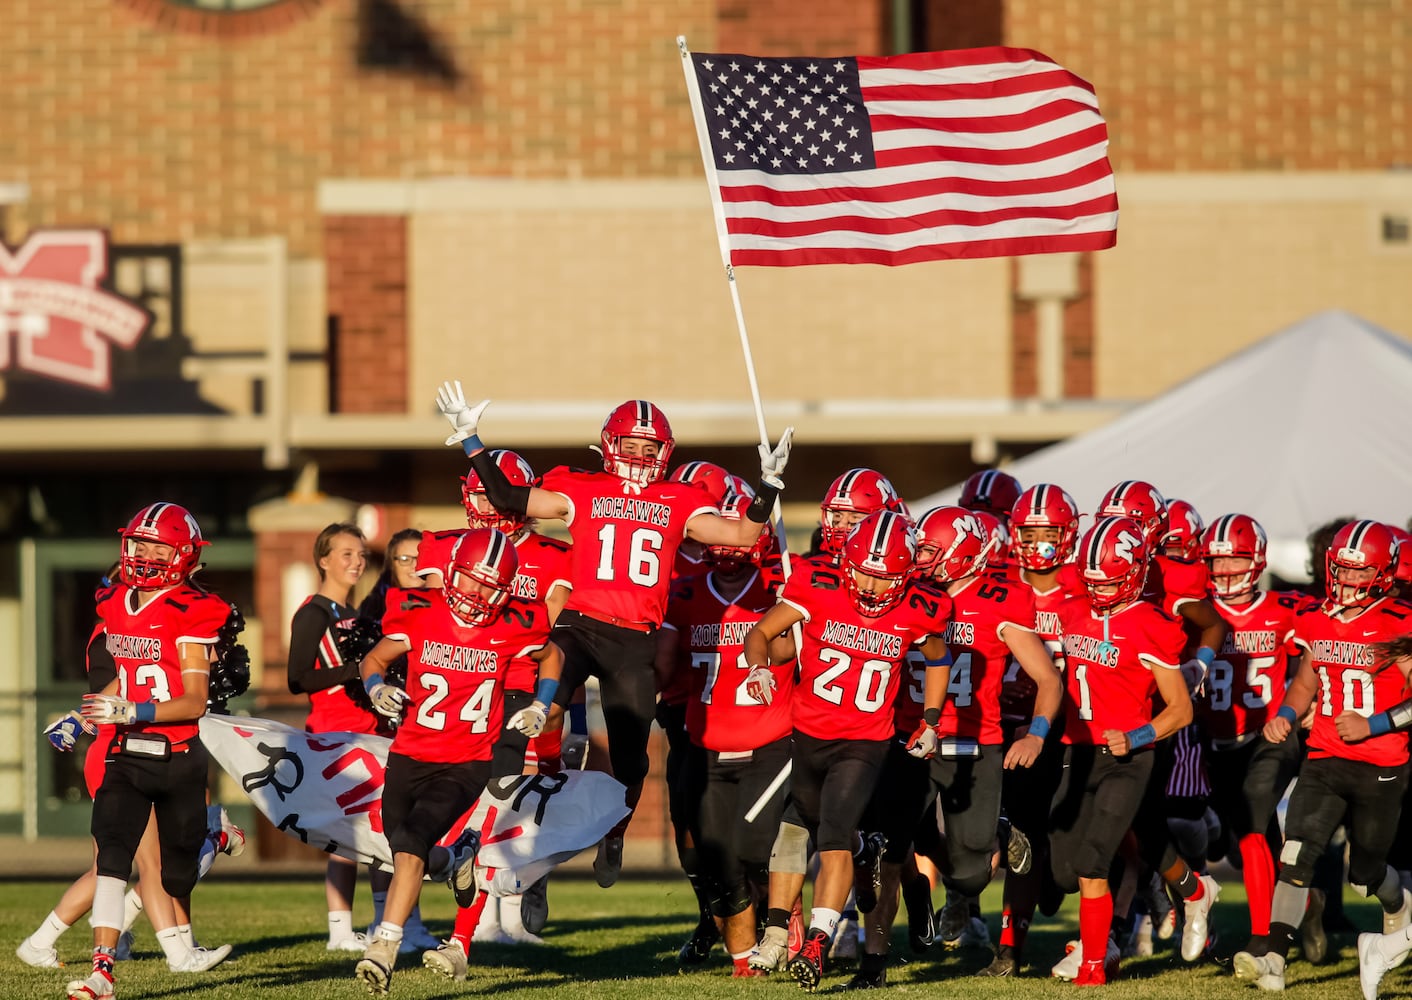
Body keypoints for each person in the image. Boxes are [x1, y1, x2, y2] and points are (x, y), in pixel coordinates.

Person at [434, 380, 792, 887]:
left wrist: (770, 489)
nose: (641, 456)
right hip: (582, 623)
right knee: (548, 685)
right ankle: (548, 761)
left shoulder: (678, 498)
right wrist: (472, 438)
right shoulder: (581, 486)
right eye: (632, 445)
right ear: (610, 444)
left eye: (651, 448)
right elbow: (506, 495)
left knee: (631, 760)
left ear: (664, 453)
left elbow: (741, 533)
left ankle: (616, 829)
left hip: (635, 639)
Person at [744, 510, 953, 991]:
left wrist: (932, 718)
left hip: (865, 740)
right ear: (847, 563)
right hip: (808, 734)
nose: (873, 587)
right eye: (864, 573)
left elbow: (938, 657)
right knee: (814, 826)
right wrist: (758, 669)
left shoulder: (923, 606)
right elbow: (760, 633)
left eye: (884, 578)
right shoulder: (816, 584)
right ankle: (869, 846)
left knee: (833, 834)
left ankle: (818, 940)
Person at [353, 527, 564, 994]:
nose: (477, 592)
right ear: (451, 574)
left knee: (409, 841)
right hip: (409, 754)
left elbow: (554, 656)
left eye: (490, 585)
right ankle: (455, 858)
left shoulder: (516, 621)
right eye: (470, 579)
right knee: (404, 849)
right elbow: (373, 659)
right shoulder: (418, 612)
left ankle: (383, 949)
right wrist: (376, 687)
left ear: (507, 590)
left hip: (466, 760)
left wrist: (540, 703)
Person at [58, 503, 232, 1000]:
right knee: (112, 857)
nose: (146, 554)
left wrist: (132, 711)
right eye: (141, 543)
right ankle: (102, 971)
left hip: (177, 758)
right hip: (126, 755)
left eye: (159, 546)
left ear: (183, 554)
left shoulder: (195, 609)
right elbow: (127, 676)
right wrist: (83, 713)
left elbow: (194, 701)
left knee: (176, 873)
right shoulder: (116, 601)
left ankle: (212, 841)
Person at [1235, 520, 1412, 992]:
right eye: (1342, 570)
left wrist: (1375, 724)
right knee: (1296, 853)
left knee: (1366, 872)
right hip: (1325, 755)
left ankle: (1398, 906)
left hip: (1381, 762)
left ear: (1382, 573)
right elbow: (1305, 680)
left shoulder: (1401, 621)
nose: (1346, 581)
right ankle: (1273, 956)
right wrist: (1288, 715)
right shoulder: (1316, 616)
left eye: (1358, 572)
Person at [1047, 516, 1192, 986]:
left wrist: (1137, 736)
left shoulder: (1151, 624)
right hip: (1077, 751)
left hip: (1127, 759)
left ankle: (1095, 963)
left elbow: (1181, 710)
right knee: (1065, 872)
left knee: (1093, 863)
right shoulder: (1071, 610)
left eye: (1109, 581)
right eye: (1094, 582)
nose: (1101, 591)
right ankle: (1112, 935)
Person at [658, 489, 794, 976]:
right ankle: (743, 963)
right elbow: (665, 666)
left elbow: (797, 653)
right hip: (707, 742)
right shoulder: (689, 590)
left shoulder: (783, 585)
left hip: (771, 739)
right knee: (718, 860)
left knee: (755, 848)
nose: (731, 552)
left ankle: (786, 922)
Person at [1196, 514, 1309, 957]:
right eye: (1216, 562)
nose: (1224, 571)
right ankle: (1307, 906)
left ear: (1257, 560)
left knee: (1252, 824)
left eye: (1234, 560)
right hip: (1211, 741)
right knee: (1240, 846)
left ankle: (1263, 941)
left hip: (1269, 735)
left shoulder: (1287, 609)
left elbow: (1317, 661)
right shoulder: (1198, 613)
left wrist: (1305, 708)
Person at [286, 523, 399, 953]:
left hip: (371, 728)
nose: (356, 561)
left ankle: (381, 923)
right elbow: (298, 679)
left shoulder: (355, 614)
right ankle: (339, 930)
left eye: (360, 554)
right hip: (336, 733)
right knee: (347, 834)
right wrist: (358, 670)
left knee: (381, 831)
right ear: (323, 560)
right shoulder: (313, 612)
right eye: (346, 553)